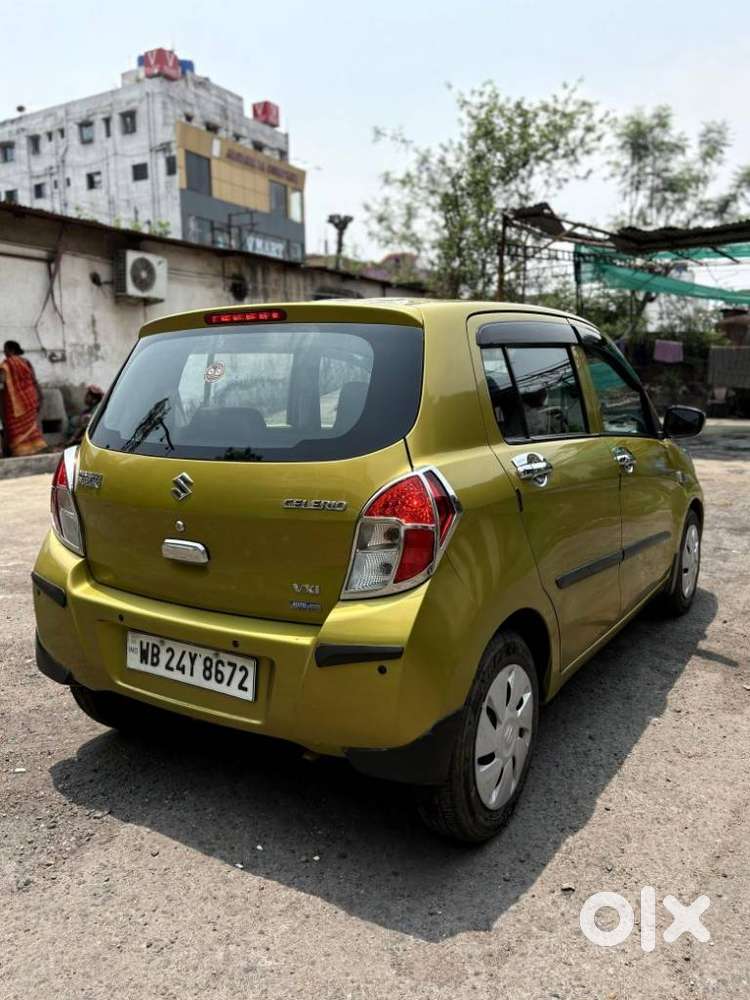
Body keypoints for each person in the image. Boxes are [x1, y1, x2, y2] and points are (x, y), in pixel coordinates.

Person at [0, 341, 47, 457]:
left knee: (14, 430)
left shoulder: (6, 365)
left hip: (14, 404)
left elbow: (1, 381)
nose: (5, 353)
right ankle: (36, 448)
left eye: (5, 350)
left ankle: (21, 451)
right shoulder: (26, 362)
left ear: (11, 350)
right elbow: (34, 379)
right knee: (31, 426)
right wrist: (40, 395)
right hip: (30, 399)